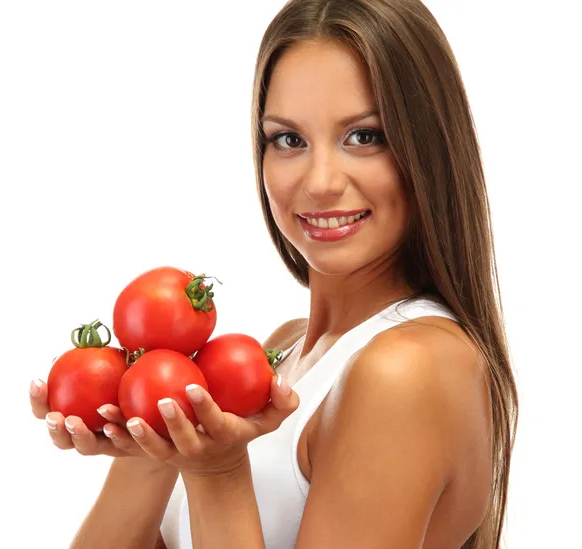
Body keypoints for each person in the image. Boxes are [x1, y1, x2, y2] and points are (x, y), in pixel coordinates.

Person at [29, 0, 519, 547]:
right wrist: (151, 446)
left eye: (364, 136)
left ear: (429, 148)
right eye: (288, 139)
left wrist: (216, 472)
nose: (320, 182)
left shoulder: (405, 369)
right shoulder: (285, 349)